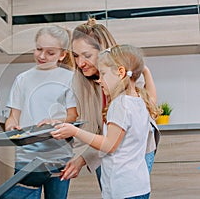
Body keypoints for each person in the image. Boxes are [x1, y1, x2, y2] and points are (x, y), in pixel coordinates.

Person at [51, 44, 161, 199]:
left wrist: (74, 131)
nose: (99, 80)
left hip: (123, 190)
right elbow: (153, 98)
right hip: (139, 186)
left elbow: (109, 145)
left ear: (120, 72)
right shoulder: (139, 100)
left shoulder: (120, 104)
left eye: (103, 73)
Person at [4, 25, 77, 199]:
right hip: (27, 158)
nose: (42, 56)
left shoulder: (70, 78)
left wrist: (56, 121)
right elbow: (13, 117)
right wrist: (11, 126)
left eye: (50, 52)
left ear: (62, 54)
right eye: (38, 49)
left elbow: (72, 116)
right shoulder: (22, 79)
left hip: (59, 157)